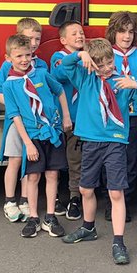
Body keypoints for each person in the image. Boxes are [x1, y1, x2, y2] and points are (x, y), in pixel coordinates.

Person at [56, 37, 137, 265]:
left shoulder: (122, 81)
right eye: (101, 64)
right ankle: (88, 227)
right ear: (91, 63)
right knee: (85, 188)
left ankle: (118, 241)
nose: (107, 68)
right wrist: (79, 55)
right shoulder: (85, 78)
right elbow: (64, 68)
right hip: (90, 142)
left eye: (110, 62)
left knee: (116, 192)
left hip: (115, 142)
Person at [2, 33, 71, 239]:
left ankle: (50, 216)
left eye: (28, 55)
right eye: (19, 56)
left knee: (52, 175)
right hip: (32, 138)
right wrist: (28, 144)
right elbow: (15, 116)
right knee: (33, 177)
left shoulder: (41, 74)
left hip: (53, 133)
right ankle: (33, 217)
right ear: (9, 59)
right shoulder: (9, 85)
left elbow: (59, 90)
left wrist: (66, 117)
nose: (24, 60)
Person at [0, 17, 45, 223]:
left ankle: (25, 200)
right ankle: (9, 201)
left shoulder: (41, 65)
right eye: (28, 38)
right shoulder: (9, 66)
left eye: (37, 39)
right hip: (16, 122)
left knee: (29, 161)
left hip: (36, 123)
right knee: (15, 160)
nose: (33, 43)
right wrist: (18, 105)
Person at [107, 11, 137, 219]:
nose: (127, 36)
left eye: (131, 32)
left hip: (134, 114)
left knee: (131, 160)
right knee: (113, 159)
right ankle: (111, 202)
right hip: (112, 115)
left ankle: (127, 201)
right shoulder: (107, 52)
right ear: (113, 32)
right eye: (122, 31)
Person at [51, 20, 87, 219]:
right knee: (56, 161)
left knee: (76, 160)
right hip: (61, 119)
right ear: (63, 39)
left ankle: (75, 198)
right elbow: (62, 73)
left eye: (81, 32)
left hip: (80, 120)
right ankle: (54, 196)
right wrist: (79, 57)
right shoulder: (58, 57)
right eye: (74, 34)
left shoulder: (86, 58)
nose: (80, 36)